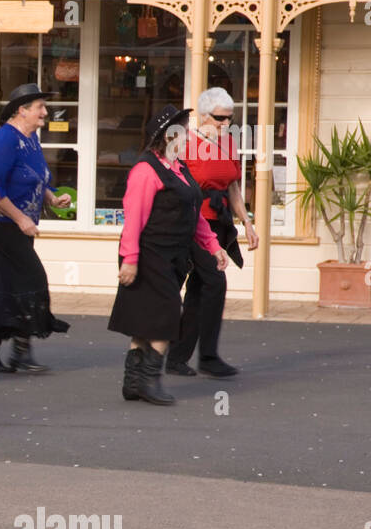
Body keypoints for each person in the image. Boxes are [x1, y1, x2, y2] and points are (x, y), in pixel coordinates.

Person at [108, 104, 228, 405]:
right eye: (183, 130)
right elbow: (133, 218)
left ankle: (133, 384)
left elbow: (195, 214)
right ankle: (150, 381)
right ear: (167, 135)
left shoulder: (179, 167)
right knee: (165, 318)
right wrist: (130, 259)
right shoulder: (145, 170)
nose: (188, 134)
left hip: (173, 256)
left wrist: (213, 246)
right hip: (149, 255)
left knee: (144, 322)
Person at [0, 83, 72, 374]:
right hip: (4, 224)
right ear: (22, 110)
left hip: (20, 225)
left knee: (8, 284)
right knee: (32, 278)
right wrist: (20, 219)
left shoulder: (30, 139)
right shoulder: (6, 139)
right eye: (40, 107)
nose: (45, 112)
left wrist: (53, 197)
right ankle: (19, 349)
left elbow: (34, 178)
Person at [165, 87, 259, 377]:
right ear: (203, 116)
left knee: (199, 289)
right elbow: (169, 185)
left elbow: (231, 185)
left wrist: (246, 221)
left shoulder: (228, 143)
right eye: (219, 118)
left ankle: (178, 357)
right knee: (215, 283)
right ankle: (207, 356)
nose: (225, 124)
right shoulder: (182, 143)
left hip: (218, 221)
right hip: (192, 223)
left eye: (229, 119)